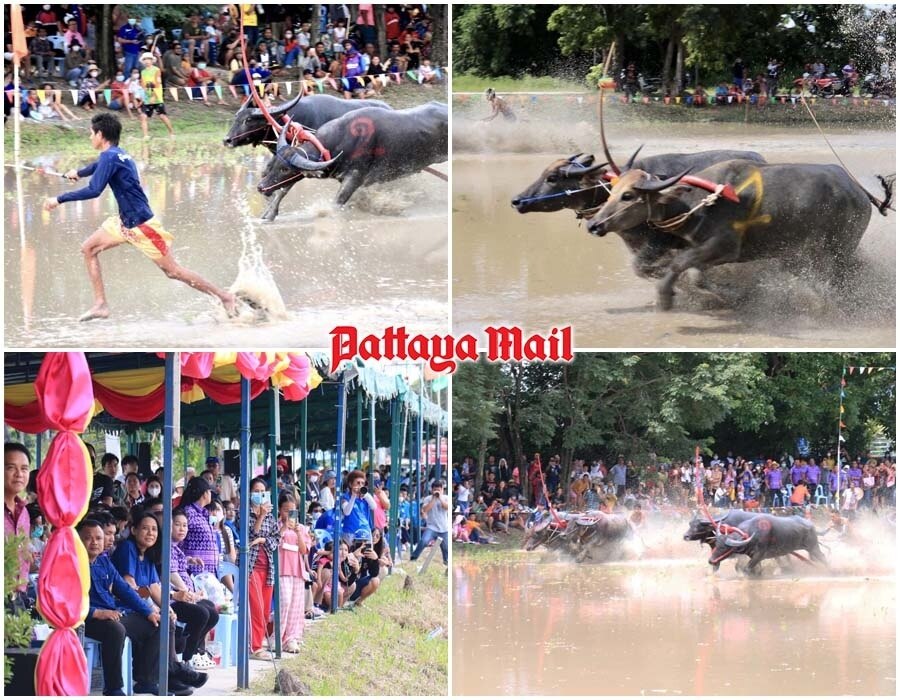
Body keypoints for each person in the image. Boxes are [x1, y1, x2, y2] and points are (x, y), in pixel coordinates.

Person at [43, 112, 237, 322]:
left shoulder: (110, 157)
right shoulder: (117, 154)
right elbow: (96, 167)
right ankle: (100, 305)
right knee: (88, 248)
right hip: (124, 223)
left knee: (173, 271)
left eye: (91, 133)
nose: (90, 137)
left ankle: (225, 297)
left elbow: (94, 190)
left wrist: (59, 199)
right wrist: (78, 172)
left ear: (100, 134)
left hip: (142, 225)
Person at [79, 518, 163, 696]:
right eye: (88, 538)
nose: (94, 542)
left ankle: (146, 680)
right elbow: (68, 601)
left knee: (157, 624)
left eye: (99, 538)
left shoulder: (104, 562)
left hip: (112, 615)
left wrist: (148, 612)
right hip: (86, 619)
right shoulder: (72, 564)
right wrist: (97, 612)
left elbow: (125, 590)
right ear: (78, 540)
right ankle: (113, 688)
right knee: (115, 630)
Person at [165, 508, 220, 671]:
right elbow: (172, 574)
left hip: (186, 596)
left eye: (185, 525)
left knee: (211, 609)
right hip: (173, 599)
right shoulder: (166, 547)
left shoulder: (176, 547)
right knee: (201, 613)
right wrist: (190, 595)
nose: (182, 529)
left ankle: (192, 647)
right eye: (177, 525)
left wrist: (189, 560)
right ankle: (188, 657)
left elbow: (179, 564)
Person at [247, 477, 279, 659]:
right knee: (256, 607)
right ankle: (255, 646)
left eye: (262, 491)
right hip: (251, 566)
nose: (259, 494)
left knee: (265, 608)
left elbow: (276, 538)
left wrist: (264, 540)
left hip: (267, 566)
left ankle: (259, 642)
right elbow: (251, 535)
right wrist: (260, 516)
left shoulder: (270, 516)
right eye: (256, 491)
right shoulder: (244, 514)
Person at [276, 492, 308, 653]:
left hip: (297, 569)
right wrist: (284, 526)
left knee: (296, 605)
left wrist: (297, 533)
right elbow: (275, 542)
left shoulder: (301, 528)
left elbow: (304, 550)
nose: (289, 514)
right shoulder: (276, 525)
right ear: (280, 510)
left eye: (292, 511)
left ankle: (292, 638)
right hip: (282, 569)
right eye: (286, 510)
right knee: (285, 602)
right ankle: (278, 637)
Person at [5, 443, 32, 599]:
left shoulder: (24, 512)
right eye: (11, 468)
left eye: (24, 468)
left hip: (19, 595)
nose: (19, 474)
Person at [180, 476, 220, 575]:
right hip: (194, 571)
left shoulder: (203, 513)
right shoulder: (188, 512)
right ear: (205, 494)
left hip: (208, 572)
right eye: (210, 491)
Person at [410, 480, 449, 565]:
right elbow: (425, 510)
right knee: (424, 541)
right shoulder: (428, 499)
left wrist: (440, 498)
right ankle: (414, 557)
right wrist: (434, 498)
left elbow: (447, 507)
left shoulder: (446, 498)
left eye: (439, 489)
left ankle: (446, 563)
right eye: (435, 489)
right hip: (432, 527)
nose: (437, 491)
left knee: (446, 548)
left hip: (444, 528)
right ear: (432, 490)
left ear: (442, 489)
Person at [138, 52, 175, 138]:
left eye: (148, 59)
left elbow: (157, 83)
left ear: (152, 61)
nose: (147, 61)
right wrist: (143, 96)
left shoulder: (156, 70)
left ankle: (171, 132)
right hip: (147, 96)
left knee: (162, 116)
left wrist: (151, 86)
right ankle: (145, 135)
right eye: (145, 59)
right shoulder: (143, 72)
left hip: (156, 96)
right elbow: (143, 84)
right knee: (143, 116)